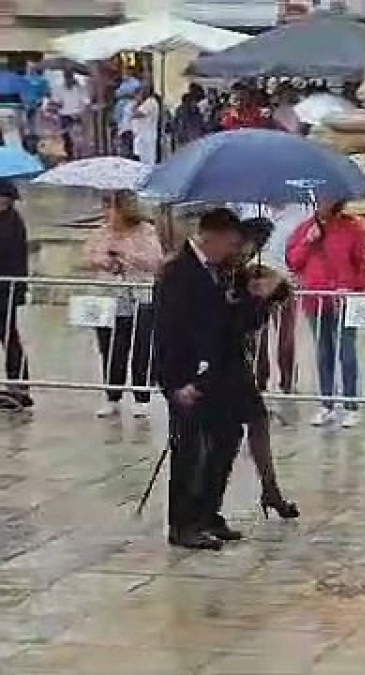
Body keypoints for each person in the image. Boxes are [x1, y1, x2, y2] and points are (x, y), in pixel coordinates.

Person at [154, 208, 255, 550]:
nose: (233, 250)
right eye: (230, 243)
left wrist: (255, 298)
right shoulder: (177, 273)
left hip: (220, 376)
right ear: (211, 236)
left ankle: (209, 512)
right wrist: (174, 384)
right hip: (187, 378)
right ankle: (183, 523)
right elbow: (168, 333)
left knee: (225, 440)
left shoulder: (224, 273)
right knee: (190, 450)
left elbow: (231, 326)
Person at [225, 217, 299, 520]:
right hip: (215, 361)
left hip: (237, 360)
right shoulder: (217, 272)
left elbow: (277, 296)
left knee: (258, 421)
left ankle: (270, 489)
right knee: (225, 435)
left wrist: (273, 288)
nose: (249, 252)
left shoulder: (246, 273)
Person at [286, 199, 365, 428]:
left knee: (346, 351)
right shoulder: (305, 229)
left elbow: (364, 264)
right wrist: (307, 242)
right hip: (315, 300)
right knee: (323, 351)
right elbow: (293, 261)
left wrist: (352, 286)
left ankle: (351, 405)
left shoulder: (351, 229)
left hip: (344, 301)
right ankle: (326, 404)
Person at [81, 190, 163, 418]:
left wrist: (127, 256)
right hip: (108, 298)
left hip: (139, 297)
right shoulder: (101, 232)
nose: (107, 213)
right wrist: (104, 260)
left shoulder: (146, 231)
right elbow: (87, 256)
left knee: (141, 349)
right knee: (109, 349)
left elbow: (155, 260)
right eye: (105, 207)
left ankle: (141, 397)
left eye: (111, 207)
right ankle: (112, 395)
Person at [238, 203, 306, 395]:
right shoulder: (250, 208)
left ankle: (288, 380)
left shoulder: (300, 211)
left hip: (285, 279)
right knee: (258, 333)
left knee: (286, 334)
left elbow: (303, 245)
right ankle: (259, 379)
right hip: (256, 277)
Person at [0, 180, 32, 410]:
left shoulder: (13, 222)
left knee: (9, 336)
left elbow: (11, 253)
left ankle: (19, 385)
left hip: (6, 290)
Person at [53, 71, 90, 159]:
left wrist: (83, 110)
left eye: (69, 77)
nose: (68, 79)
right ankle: (70, 155)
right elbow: (57, 101)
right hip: (64, 114)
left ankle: (79, 154)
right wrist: (57, 105)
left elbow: (86, 100)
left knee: (77, 136)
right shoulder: (60, 88)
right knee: (66, 137)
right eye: (66, 77)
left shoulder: (79, 88)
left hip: (76, 114)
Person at [130, 86, 160, 164]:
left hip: (147, 136)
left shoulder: (150, 102)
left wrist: (136, 103)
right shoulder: (146, 103)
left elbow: (137, 114)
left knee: (147, 159)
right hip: (143, 135)